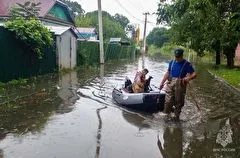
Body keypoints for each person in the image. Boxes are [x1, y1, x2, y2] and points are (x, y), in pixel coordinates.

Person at [159, 48, 197, 121]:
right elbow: (168, 73)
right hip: (170, 83)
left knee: (178, 102)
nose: (177, 58)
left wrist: (188, 78)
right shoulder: (172, 62)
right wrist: (162, 82)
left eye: (178, 57)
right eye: (176, 56)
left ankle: (176, 118)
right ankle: (165, 116)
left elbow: (194, 74)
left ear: (182, 56)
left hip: (180, 84)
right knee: (168, 101)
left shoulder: (187, 64)